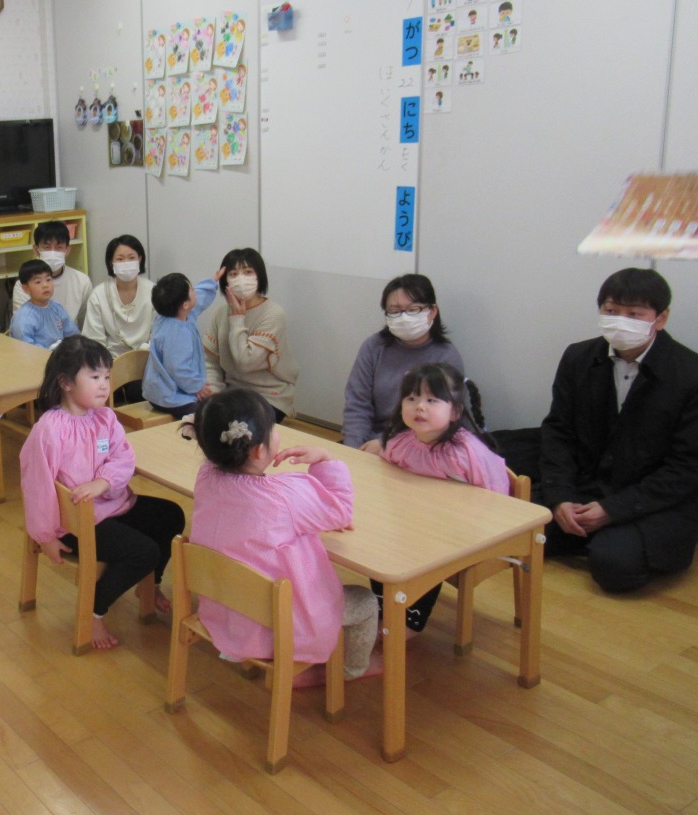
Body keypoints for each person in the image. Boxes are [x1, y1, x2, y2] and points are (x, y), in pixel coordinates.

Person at [189, 388, 379, 682]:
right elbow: (342, 509)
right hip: (283, 627)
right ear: (258, 451)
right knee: (366, 602)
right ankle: (349, 671)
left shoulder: (205, 477)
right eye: (274, 429)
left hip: (227, 614)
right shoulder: (285, 496)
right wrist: (325, 459)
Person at [20, 336, 185, 650]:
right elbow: (36, 487)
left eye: (106, 377)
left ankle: (150, 585)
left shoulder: (105, 417)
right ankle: (94, 610)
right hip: (75, 526)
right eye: (94, 377)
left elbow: (124, 458)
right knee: (144, 551)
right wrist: (45, 537)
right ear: (65, 382)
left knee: (171, 515)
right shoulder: (49, 430)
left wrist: (104, 482)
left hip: (114, 507)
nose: (104, 385)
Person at [540, 268, 698, 593]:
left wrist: (614, 510)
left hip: (651, 498)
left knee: (616, 567)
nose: (620, 321)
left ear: (661, 318)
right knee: (513, 527)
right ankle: (588, 530)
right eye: (611, 311)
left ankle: (601, 537)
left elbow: (686, 466)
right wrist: (561, 497)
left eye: (634, 314)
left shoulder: (689, 373)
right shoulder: (578, 357)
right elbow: (558, 431)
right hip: (588, 482)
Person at [367, 363, 509, 632]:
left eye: (432, 400)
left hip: (458, 535)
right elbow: (387, 482)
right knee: (379, 546)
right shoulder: (401, 442)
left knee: (422, 553)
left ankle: (409, 621)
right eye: (412, 398)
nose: (419, 407)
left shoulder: (466, 454)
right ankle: (383, 609)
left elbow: (497, 500)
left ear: (455, 411)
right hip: (411, 525)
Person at [341, 274, 464, 450]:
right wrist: (353, 449)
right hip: (369, 442)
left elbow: (440, 422)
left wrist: (387, 444)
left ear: (432, 311)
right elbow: (357, 404)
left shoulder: (445, 356)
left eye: (413, 309)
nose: (404, 317)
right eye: (394, 311)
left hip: (421, 446)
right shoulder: (374, 346)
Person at [201, 248, 299, 421]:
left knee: (239, 427)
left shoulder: (274, 314)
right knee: (201, 417)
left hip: (269, 395)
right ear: (225, 281)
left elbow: (245, 363)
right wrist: (212, 395)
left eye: (248, 272)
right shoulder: (220, 313)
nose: (241, 280)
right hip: (232, 393)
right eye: (233, 274)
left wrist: (237, 319)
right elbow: (211, 362)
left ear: (259, 276)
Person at [142, 270, 219, 419]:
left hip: (161, 391)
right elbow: (179, 368)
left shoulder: (171, 314)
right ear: (185, 304)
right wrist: (197, 387)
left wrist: (212, 282)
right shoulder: (176, 333)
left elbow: (199, 299)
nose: (195, 290)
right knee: (208, 413)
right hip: (170, 397)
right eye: (192, 289)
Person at [82, 235, 156, 360]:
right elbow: (94, 340)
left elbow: (159, 334)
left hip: (148, 359)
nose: (126, 263)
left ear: (140, 259)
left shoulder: (153, 291)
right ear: (111, 263)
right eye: (120, 259)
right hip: (110, 362)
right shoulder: (99, 295)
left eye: (131, 258)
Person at [10, 221, 92, 326]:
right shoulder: (24, 285)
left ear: (67, 250)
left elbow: (86, 322)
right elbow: (23, 325)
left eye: (59, 247)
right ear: (36, 250)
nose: (53, 252)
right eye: (47, 247)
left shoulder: (82, 281)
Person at [9, 260, 79, 348]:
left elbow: (72, 334)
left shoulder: (57, 308)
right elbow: (25, 347)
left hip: (60, 354)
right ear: (26, 288)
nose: (45, 285)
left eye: (48, 279)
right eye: (38, 282)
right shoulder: (24, 316)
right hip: (36, 355)